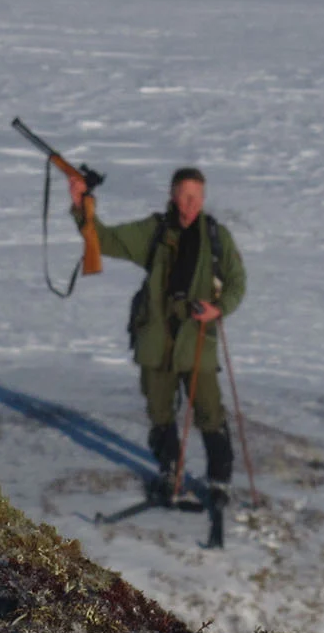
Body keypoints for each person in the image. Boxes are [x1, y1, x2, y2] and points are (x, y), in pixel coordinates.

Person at [69, 166, 247, 509]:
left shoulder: (216, 237)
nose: (190, 203)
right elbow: (104, 240)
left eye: (196, 197)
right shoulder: (154, 231)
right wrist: (81, 206)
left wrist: (219, 308)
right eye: (184, 196)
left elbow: (237, 282)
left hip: (197, 340)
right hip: (155, 339)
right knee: (159, 412)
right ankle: (169, 472)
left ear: (203, 198)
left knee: (210, 412)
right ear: (172, 195)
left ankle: (219, 480)